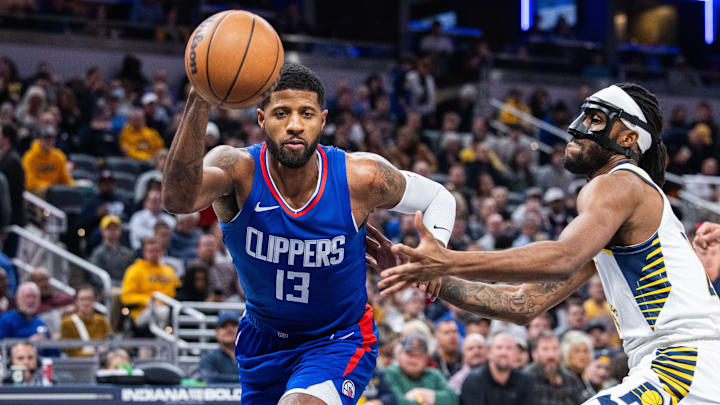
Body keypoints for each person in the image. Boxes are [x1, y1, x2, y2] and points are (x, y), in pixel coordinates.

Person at [378, 83, 720, 403]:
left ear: (629, 138)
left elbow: (562, 256)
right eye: (583, 115)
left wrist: (447, 260)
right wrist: (430, 277)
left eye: (595, 119)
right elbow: (521, 303)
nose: (577, 127)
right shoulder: (616, 216)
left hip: (683, 363)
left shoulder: (619, 184)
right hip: (686, 365)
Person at [162, 63, 456, 405]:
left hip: (338, 339)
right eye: (281, 113)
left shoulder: (359, 177)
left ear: (323, 120)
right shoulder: (237, 169)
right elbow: (177, 199)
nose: (295, 125)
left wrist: (436, 249)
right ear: (261, 119)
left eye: (306, 113)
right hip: (263, 340)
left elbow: (439, 196)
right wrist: (200, 96)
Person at [120, 237, 180, 329]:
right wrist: (146, 300)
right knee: (164, 312)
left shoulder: (169, 270)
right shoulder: (135, 270)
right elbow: (126, 297)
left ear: (162, 251)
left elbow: (178, 289)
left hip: (168, 306)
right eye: (151, 251)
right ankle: (161, 342)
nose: (154, 254)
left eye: (157, 250)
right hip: (142, 311)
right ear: (144, 252)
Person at [383, 334, 459, 405]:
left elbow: (454, 399)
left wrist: (420, 394)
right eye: (409, 354)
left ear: (426, 358)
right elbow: (396, 402)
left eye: (419, 355)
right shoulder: (390, 373)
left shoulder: (434, 374)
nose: (413, 360)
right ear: (400, 354)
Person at [459, 333, 533, 405]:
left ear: (516, 354)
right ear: (489, 352)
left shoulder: (524, 380)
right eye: (499, 347)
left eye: (509, 348)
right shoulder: (474, 380)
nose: (504, 353)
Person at [524, 331, 585, 405]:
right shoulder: (525, 379)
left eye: (555, 349)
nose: (551, 355)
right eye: (545, 349)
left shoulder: (571, 379)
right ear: (534, 354)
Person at [60, 285, 112, 357]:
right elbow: (70, 352)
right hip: (78, 364)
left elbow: (110, 343)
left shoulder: (102, 320)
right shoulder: (67, 322)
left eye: (89, 299)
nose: (86, 303)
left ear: (94, 301)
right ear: (76, 302)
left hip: (102, 361)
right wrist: (96, 352)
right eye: (82, 299)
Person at [88, 215, 135, 287]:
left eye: (115, 228)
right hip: (106, 290)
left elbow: (133, 273)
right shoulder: (97, 253)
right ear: (102, 231)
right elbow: (97, 278)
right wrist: (117, 285)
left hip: (127, 288)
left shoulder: (128, 252)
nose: (112, 231)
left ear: (120, 231)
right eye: (109, 228)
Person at [198, 311, 239, 383]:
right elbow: (206, 379)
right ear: (217, 333)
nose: (229, 329)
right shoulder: (208, 356)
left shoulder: (250, 355)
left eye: (234, 325)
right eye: (223, 326)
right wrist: (242, 378)